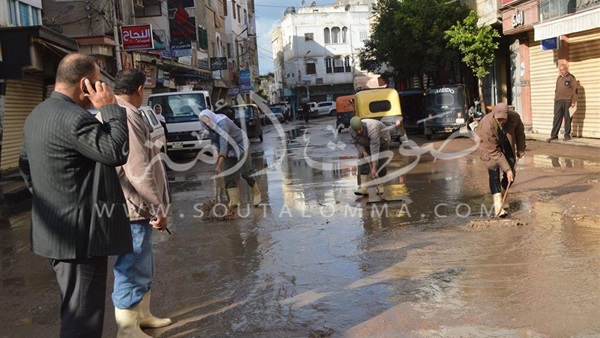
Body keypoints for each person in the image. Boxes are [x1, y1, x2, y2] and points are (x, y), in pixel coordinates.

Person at [19, 53, 131, 337]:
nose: (99, 90)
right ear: (85, 85)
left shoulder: (37, 114)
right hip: (80, 239)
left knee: (73, 308)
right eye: (96, 84)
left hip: (55, 232)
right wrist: (110, 109)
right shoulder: (75, 119)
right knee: (82, 319)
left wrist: (55, 199)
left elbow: (25, 165)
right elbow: (115, 152)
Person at [109, 69, 172, 337]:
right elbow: (137, 167)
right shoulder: (126, 114)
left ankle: (142, 316)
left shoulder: (121, 111)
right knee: (132, 265)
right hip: (134, 206)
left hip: (137, 205)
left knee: (142, 264)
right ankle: (127, 329)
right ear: (138, 90)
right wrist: (157, 207)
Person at [199, 109, 261, 208]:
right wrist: (214, 149)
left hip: (240, 145)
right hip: (229, 148)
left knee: (245, 172)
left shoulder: (222, 123)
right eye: (204, 122)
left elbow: (223, 145)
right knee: (228, 175)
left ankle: (256, 192)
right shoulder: (209, 126)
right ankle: (234, 201)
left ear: (211, 117)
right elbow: (215, 141)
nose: (207, 123)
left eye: (208, 121)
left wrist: (219, 166)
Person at [476, 102, 526, 217]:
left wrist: (521, 148)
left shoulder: (514, 118)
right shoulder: (486, 124)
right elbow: (494, 151)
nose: (501, 121)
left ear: (508, 115)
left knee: (511, 175)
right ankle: (498, 206)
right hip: (488, 146)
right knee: (494, 170)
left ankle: (502, 196)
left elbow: (520, 134)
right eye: (499, 119)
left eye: (503, 119)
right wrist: (507, 169)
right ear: (494, 115)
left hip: (505, 142)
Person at [349, 116, 391, 196]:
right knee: (363, 160)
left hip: (382, 141)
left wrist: (374, 168)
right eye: (356, 130)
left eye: (360, 129)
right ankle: (364, 188)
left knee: (381, 161)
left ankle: (379, 184)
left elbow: (374, 148)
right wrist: (364, 152)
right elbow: (356, 142)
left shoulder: (372, 128)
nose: (358, 132)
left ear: (362, 125)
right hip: (365, 143)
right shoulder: (351, 130)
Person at [547, 63, 577, 142]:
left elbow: (575, 91)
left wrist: (573, 101)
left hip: (567, 101)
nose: (561, 72)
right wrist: (556, 98)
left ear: (566, 69)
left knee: (567, 118)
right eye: (560, 70)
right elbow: (556, 89)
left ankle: (567, 135)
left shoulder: (571, 78)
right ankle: (554, 135)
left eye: (563, 70)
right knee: (557, 118)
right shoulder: (559, 78)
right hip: (558, 101)